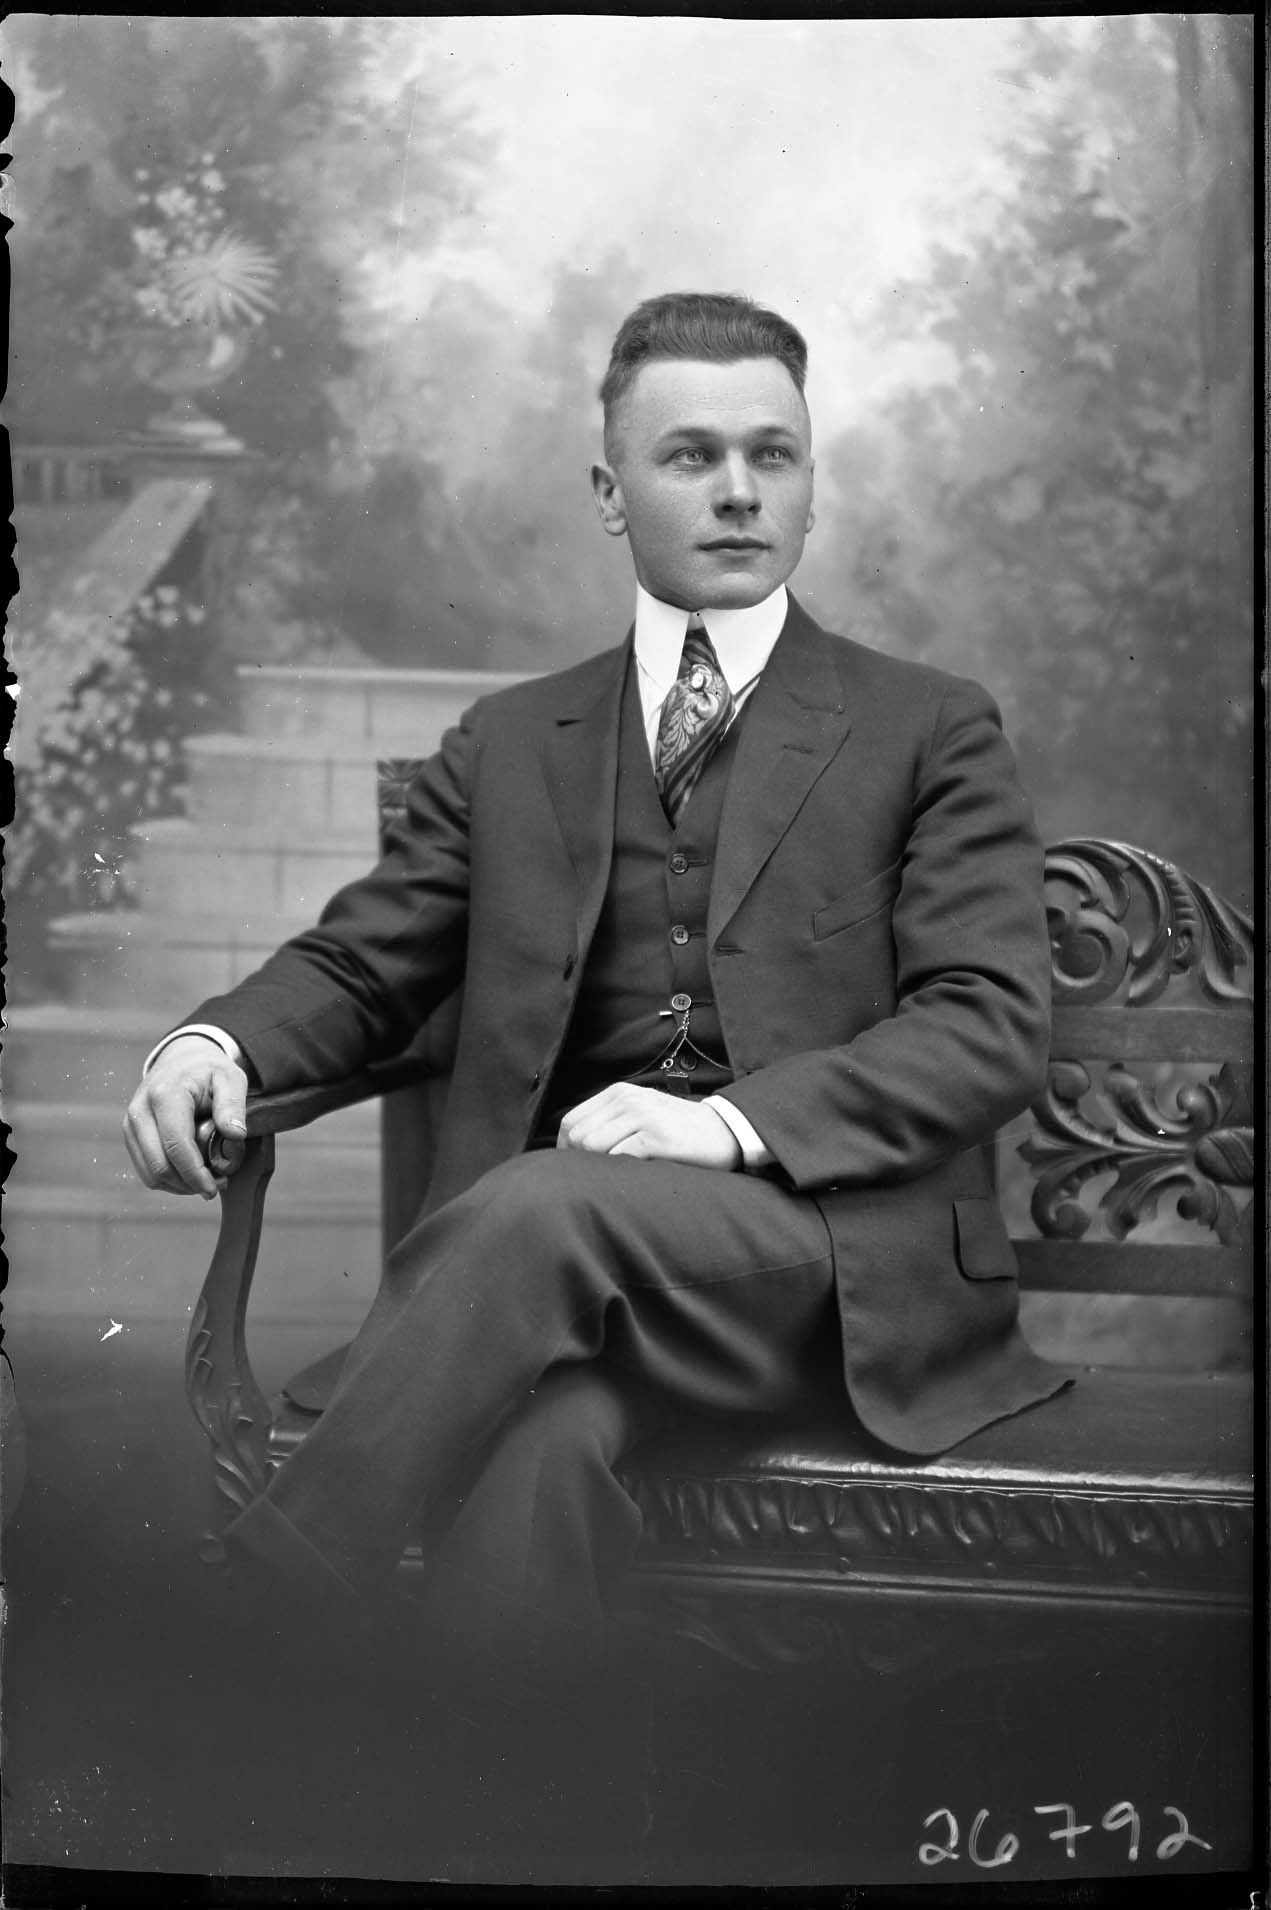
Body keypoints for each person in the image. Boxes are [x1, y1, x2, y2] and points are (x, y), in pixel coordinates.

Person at [124, 291, 1069, 1698]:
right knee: (541, 1448)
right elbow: (367, 962)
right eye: (692, 455)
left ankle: (244, 1638)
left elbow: (987, 1022)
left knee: (538, 1205)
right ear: (611, 492)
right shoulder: (512, 740)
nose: (741, 490)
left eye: (774, 453)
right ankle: (511, 1783)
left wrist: (729, 1127)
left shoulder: (928, 725)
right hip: (578, 1299)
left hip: (827, 1264)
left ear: (812, 480)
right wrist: (217, 1044)